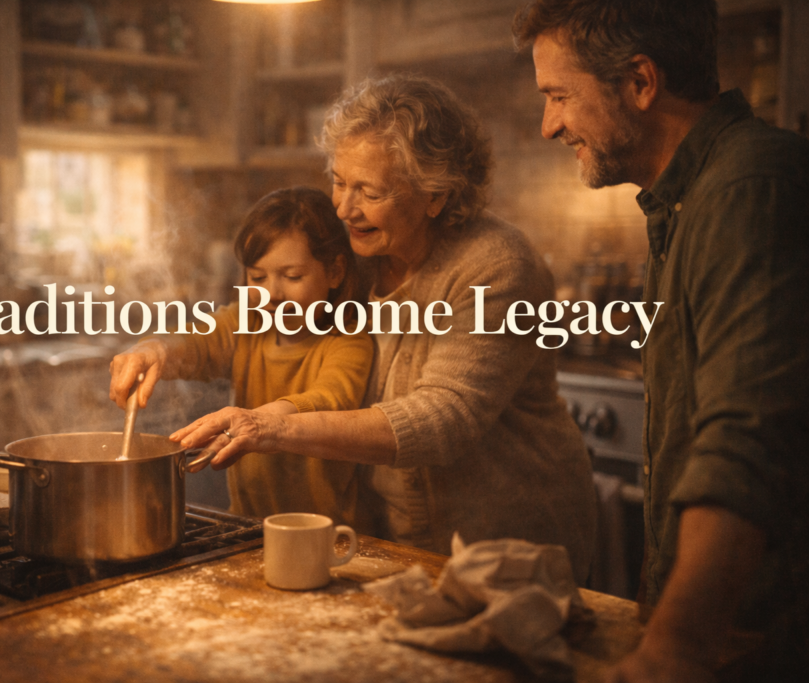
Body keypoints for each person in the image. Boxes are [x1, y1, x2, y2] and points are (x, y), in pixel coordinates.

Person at [157, 74, 598, 587]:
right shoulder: (355, 258)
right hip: (394, 541)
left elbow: (442, 419)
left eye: (370, 190)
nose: (344, 208)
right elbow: (251, 318)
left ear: (435, 195)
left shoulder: (496, 264)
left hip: (501, 544)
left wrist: (274, 428)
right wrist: (163, 351)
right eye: (340, 181)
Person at [513, 1, 809, 681]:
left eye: (559, 96)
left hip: (767, 642)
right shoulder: (689, 198)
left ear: (641, 83)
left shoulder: (751, 186)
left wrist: (676, 645)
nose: (548, 124)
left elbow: (748, 437)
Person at [109, 186, 374, 524]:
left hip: (327, 532)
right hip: (248, 524)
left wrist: (258, 423)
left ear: (335, 272)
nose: (272, 294)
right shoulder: (246, 322)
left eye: (292, 276)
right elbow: (195, 344)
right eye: (257, 277)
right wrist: (152, 350)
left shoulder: (348, 339)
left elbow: (328, 399)